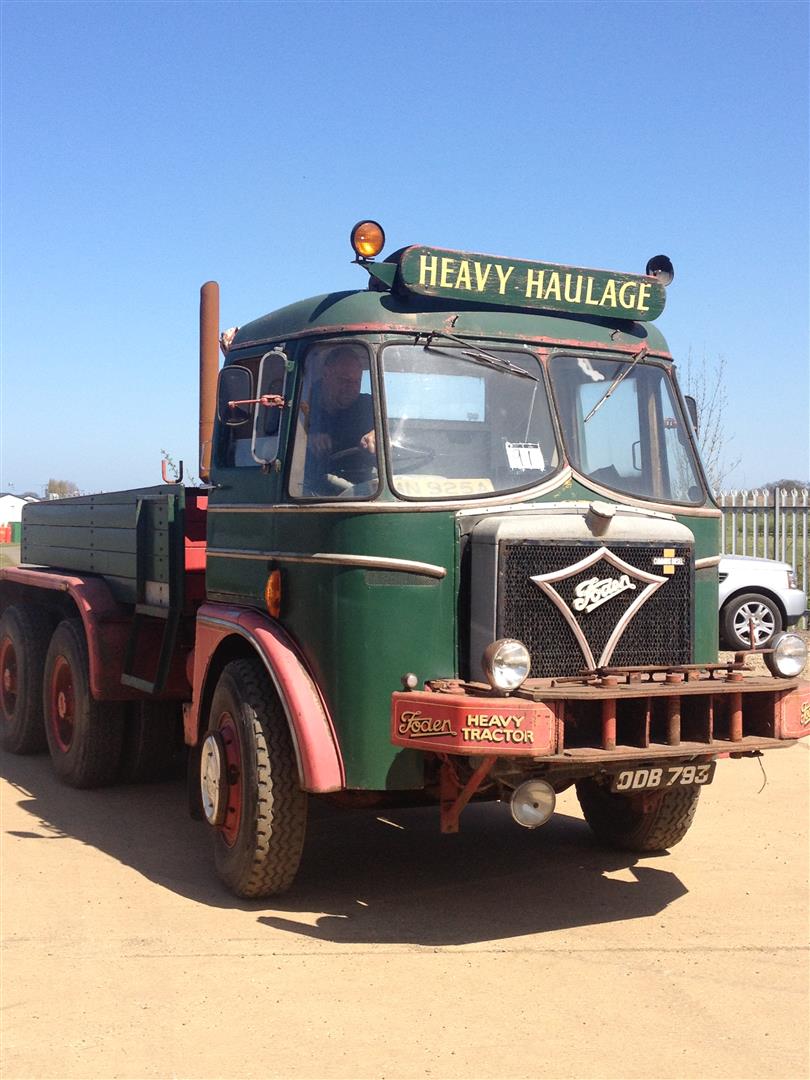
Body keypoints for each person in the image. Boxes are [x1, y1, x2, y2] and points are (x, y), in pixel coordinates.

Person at [303, 346, 376, 494]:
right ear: (326, 374)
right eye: (345, 380)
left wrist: (377, 434)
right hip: (308, 492)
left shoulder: (368, 406)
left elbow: (391, 432)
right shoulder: (302, 401)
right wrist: (305, 440)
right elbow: (271, 444)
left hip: (363, 490)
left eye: (357, 381)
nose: (352, 388)